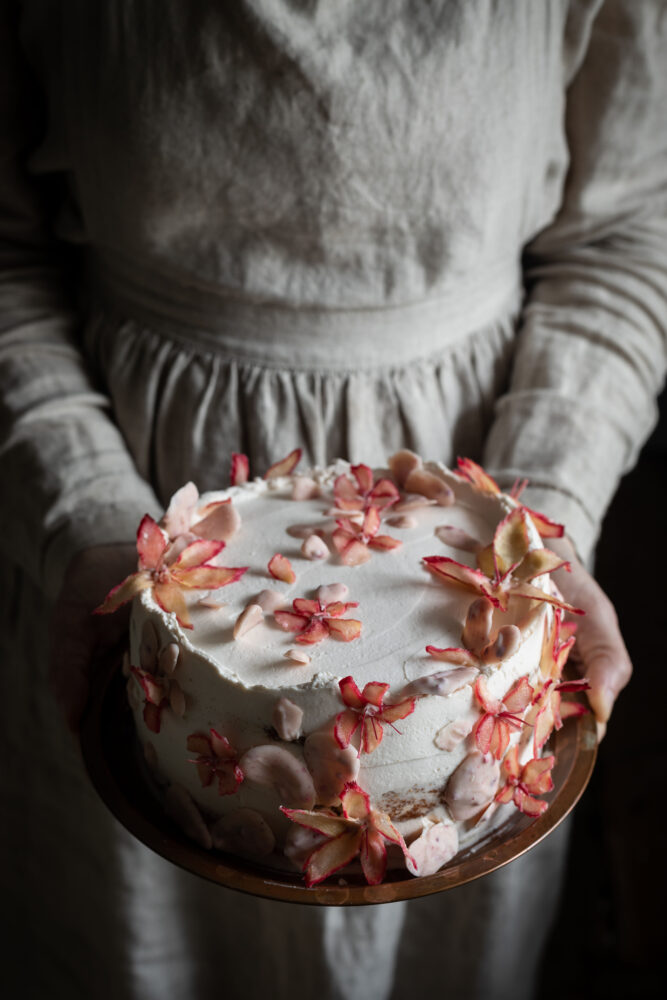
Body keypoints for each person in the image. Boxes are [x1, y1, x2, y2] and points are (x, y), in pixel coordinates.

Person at [1, 2, 664, 998]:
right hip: (126, 534)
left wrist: (548, 513)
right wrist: (86, 516)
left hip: (487, 493)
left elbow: (621, 234)